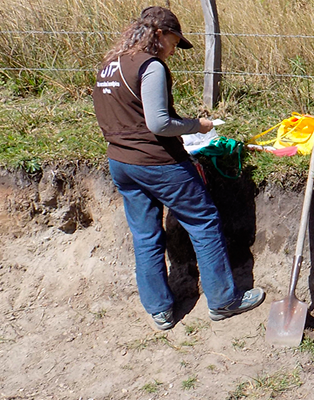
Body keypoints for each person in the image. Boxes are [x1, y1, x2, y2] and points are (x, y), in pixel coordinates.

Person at [92, 6, 264, 330]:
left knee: (145, 234)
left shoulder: (108, 66)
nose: (174, 49)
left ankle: (160, 310)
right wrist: (196, 125)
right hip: (158, 163)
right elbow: (159, 123)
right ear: (158, 34)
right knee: (203, 220)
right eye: (173, 41)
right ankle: (224, 300)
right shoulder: (151, 66)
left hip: (120, 162)